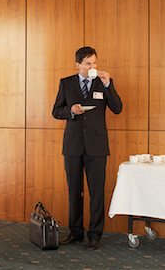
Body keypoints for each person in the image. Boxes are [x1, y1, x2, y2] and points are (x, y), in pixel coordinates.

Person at [52, 46, 122, 250]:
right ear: (78, 65)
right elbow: (56, 111)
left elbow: (117, 108)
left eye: (95, 63)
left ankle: (94, 234)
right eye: (89, 63)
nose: (93, 67)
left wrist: (109, 85)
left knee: (97, 192)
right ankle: (75, 232)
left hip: (97, 146)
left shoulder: (104, 82)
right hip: (73, 145)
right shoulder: (66, 83)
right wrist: (71, 111)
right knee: (75, 191)